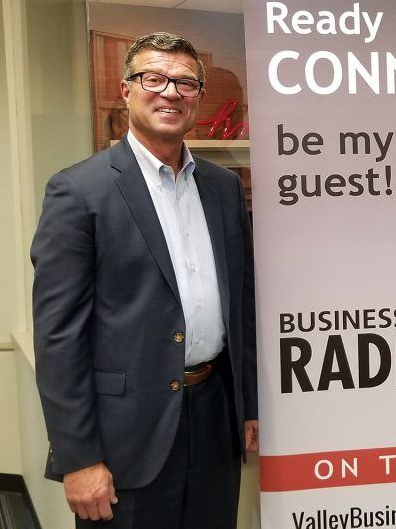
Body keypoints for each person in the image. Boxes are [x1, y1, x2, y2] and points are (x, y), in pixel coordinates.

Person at [31, 32, 258, 528]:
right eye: (153, 78)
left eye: (184, 82)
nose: (170, 92)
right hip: (124, 438)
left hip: (214, 418)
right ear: (126, 89)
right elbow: (59, 337)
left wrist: (248, 407)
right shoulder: (79, 191)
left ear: (198, 96)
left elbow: (242, 304)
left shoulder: (222, 188)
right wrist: (78, 457)